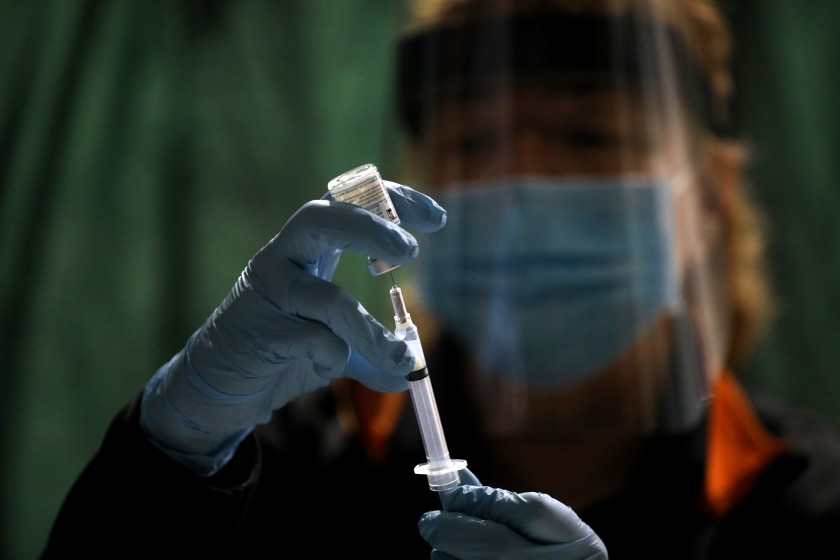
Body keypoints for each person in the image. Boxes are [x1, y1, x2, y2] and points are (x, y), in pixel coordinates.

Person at [42, 0, 840, 557]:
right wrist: (166, 459)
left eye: (591, 137)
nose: (526, 182)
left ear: (710, 200)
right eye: (475, 144)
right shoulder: (280, 477)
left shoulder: (807, 509)